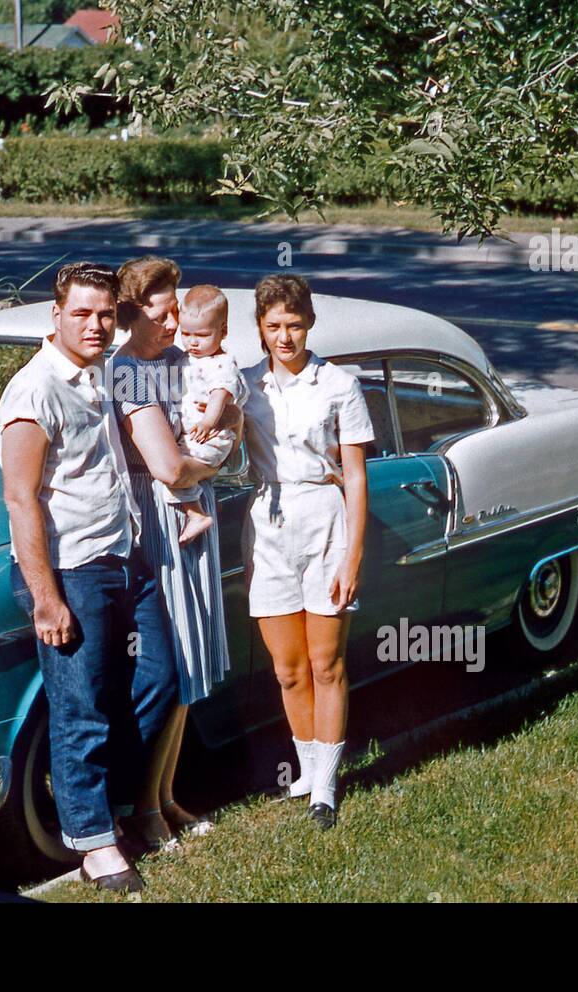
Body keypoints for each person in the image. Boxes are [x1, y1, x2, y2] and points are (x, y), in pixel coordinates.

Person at [0, 261, 177, 894]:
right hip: (70, 572)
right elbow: (21, 500)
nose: (97, 325)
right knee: (81, 711)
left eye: (106, 314)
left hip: (125, 559)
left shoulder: (104, 374)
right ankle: (94, 845)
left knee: (160, 679)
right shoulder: (34, 390)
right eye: (82, 313)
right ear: (56, 315)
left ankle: (119, 808)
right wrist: (45, 597)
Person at [108, 256, 236, 850]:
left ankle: (164, 796)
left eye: (176, 310)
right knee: (173, 662)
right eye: (162, 314)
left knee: (190, 660)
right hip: (160, 518)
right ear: (133, 314)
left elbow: (229, 410)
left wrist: (215, 447)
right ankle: (142, 808)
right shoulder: (129, 373)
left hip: (192, 509)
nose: (173, 323)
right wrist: (212, 462)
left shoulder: (183, 361)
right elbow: (165, 465)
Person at [240, 274, 374, 829]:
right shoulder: (246, 386)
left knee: (326, 663)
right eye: (274, 326)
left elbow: (356, 476)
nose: (285, 336)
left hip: (325, 522)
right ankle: (305, 769)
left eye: (294, 324)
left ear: (310, 323)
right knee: (290, 670)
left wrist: (353, 556)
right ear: (261, 330)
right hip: (268, 526)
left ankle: (326, 786)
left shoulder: (339, 384)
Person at [156, 284, 248, 546]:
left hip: (210, 437)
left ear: (223, 331)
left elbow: (220, 394)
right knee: (173, 464)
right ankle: (196, 511)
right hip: (192, 436)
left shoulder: (222, 364)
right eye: (186, 334)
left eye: (203, 335)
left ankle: (196, 514)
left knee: (174, 469)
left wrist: (209, 421)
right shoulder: (185, 358)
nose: (193, 342)